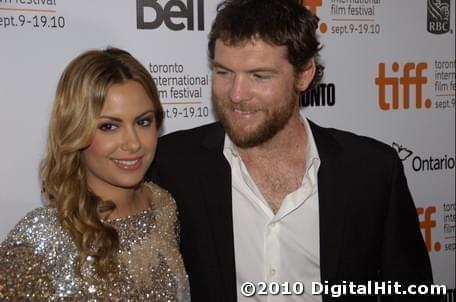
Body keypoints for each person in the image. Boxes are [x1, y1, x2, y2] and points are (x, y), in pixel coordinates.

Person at [148, 0, 436, 301]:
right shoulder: (172, 164)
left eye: (259, 76)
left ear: (304, 74)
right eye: (224, 72)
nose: (236, 93)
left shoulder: (372, 170)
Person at [0, 48, 190, 301]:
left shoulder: (164, 206)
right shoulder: (42, 236)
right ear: (76, 130)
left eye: (143, 122)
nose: (133, 143)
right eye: (109, 126)